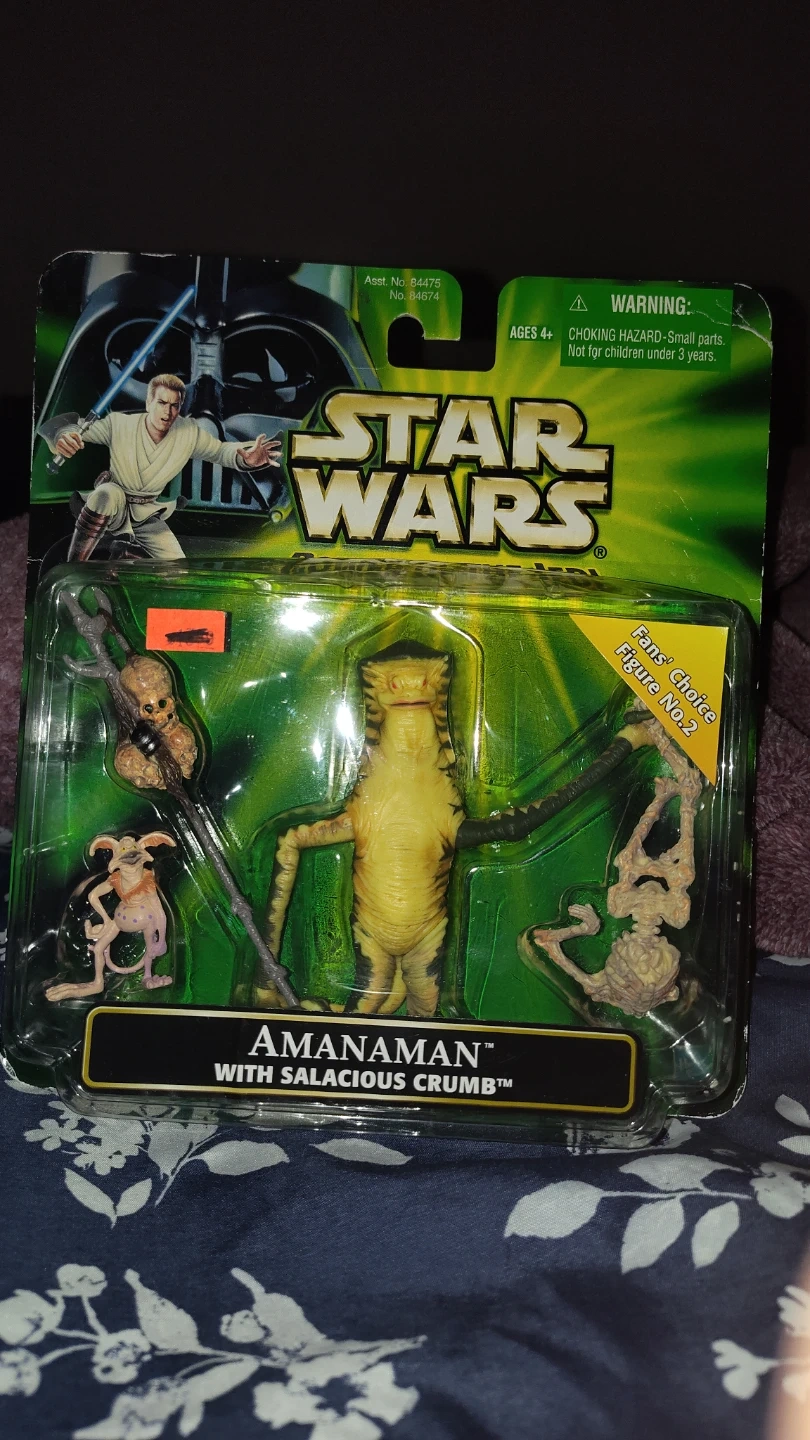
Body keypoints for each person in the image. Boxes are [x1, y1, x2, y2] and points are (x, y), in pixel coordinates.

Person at [47, 373, 281, 561]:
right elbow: (76, 428)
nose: (168, 412)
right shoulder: (119, 424)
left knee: (176, 568)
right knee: (105, 494)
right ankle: (74, 565)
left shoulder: (188, 433)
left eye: (174, 406)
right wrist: (63, 436)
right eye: (161, 403)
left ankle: (129, 554)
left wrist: (246, 459)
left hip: (146, 512)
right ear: (149, 402)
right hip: (115, 500)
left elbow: (220, 451)